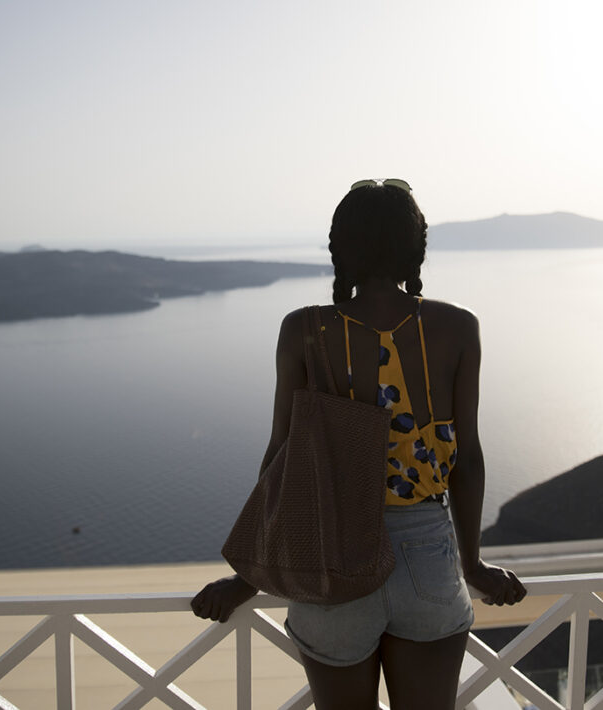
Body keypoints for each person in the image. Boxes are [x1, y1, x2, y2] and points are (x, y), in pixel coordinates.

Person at [192, 178, 527, 710]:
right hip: (428, 557)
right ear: (415, 248)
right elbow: (468, 460)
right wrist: (474, 565)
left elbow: (281, 458)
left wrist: (248, 576)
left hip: (331, 554)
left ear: (339, 248)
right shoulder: (457, 327)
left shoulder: (303, 330)